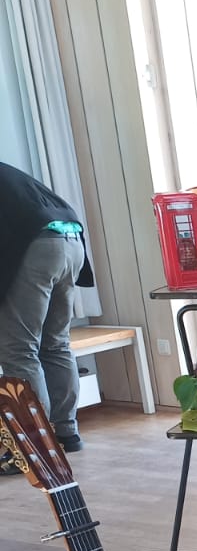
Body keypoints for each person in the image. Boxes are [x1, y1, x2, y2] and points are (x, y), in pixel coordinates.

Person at [0, 162, 94, 472]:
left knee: (19, 350)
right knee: (55, 344)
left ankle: (34, 448)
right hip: (71, 241)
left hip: (38, 247)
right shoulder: (8, 172)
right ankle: (67, 431)